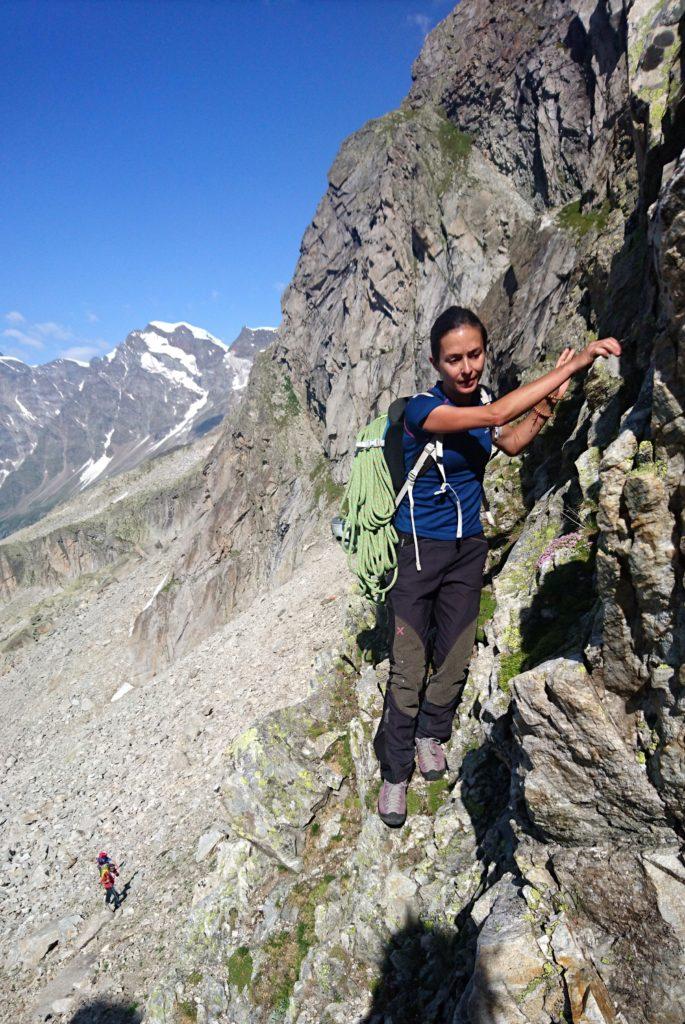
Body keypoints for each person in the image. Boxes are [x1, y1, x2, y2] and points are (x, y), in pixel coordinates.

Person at [374, 305, 621, 826]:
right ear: (436, 363)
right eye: (454, 359)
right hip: (418, 552)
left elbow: (506, 439)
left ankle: (431, 735)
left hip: (467, 549)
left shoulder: (485, 398)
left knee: (457, 647)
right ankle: (395, 773)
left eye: (475, 354)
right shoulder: (423, 411)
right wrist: (569, 370)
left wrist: (545, 407)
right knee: (408, 664)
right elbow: (490, 420)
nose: (467, 367)